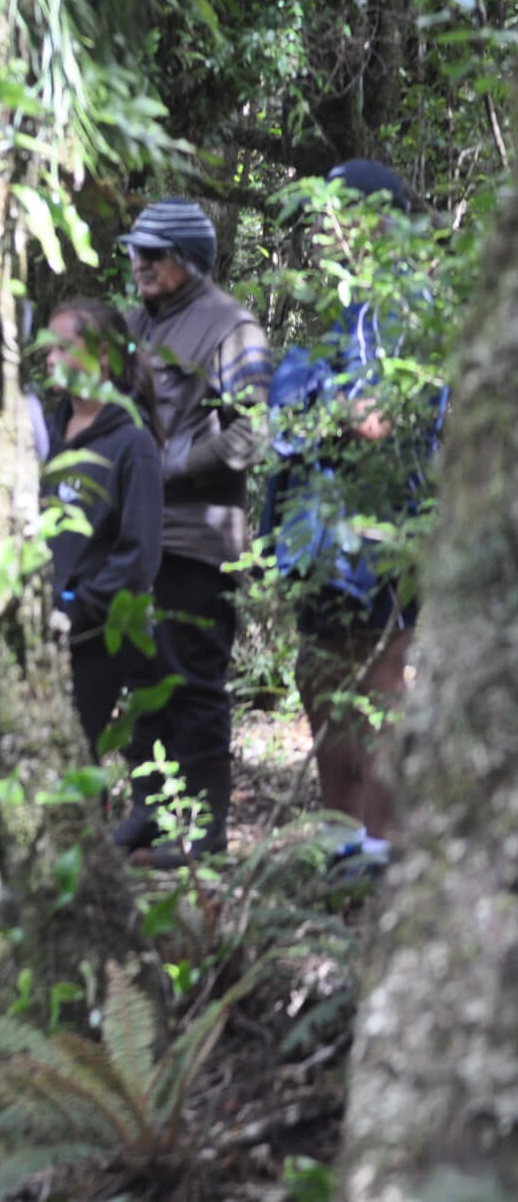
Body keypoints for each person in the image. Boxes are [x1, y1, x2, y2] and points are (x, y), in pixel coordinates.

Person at [264, 159, 439, 878]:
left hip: (378, 540)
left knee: (377, 685)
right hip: (320, 544)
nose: (328, 234)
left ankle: (386, 850)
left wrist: (303, 404)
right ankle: (343, 847)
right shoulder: (348, 310)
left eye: (340, 214)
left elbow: (376, 419)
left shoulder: (399, 308)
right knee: (323, 679)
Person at [118, 199, 272, 865]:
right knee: (138, 676)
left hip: (196, 539)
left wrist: (168, 468)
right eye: (137, 251)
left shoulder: (230, 326)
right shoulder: (128, 325)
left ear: (189, 260)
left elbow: (253, 430)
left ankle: (206, 832)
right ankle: (149, 812)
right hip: (133, 537)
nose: (141, 264)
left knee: (193, 680)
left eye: (156, 253)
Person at [41, 300, 166, 757]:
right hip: (40, 628)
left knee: (73, 753)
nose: (50, 359)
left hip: (93, 639)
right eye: (47, 348)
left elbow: (139, 556)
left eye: (63, 347)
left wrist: (79, 611)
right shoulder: (46, 433)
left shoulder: (132, 442)